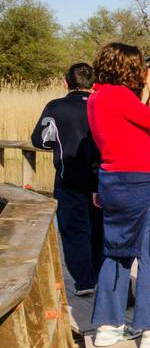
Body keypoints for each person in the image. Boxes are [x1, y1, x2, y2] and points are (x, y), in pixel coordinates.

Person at [85, 43, 150, 348]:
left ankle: (108, 325)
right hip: (139, 183)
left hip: (111, 181)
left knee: (116, 252)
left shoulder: (97, 97)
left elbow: (130, 127)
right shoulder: (119, 95)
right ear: (129, 68)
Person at [31, 63, 103, 295]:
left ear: (66, 82)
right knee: (99, 229)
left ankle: (84, 282)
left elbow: (40, 140)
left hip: (68, 178)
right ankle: (103, 277)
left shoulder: (56, 107)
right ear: (93, 83)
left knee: (73, 231)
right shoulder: (102, 105)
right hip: (102, 179)